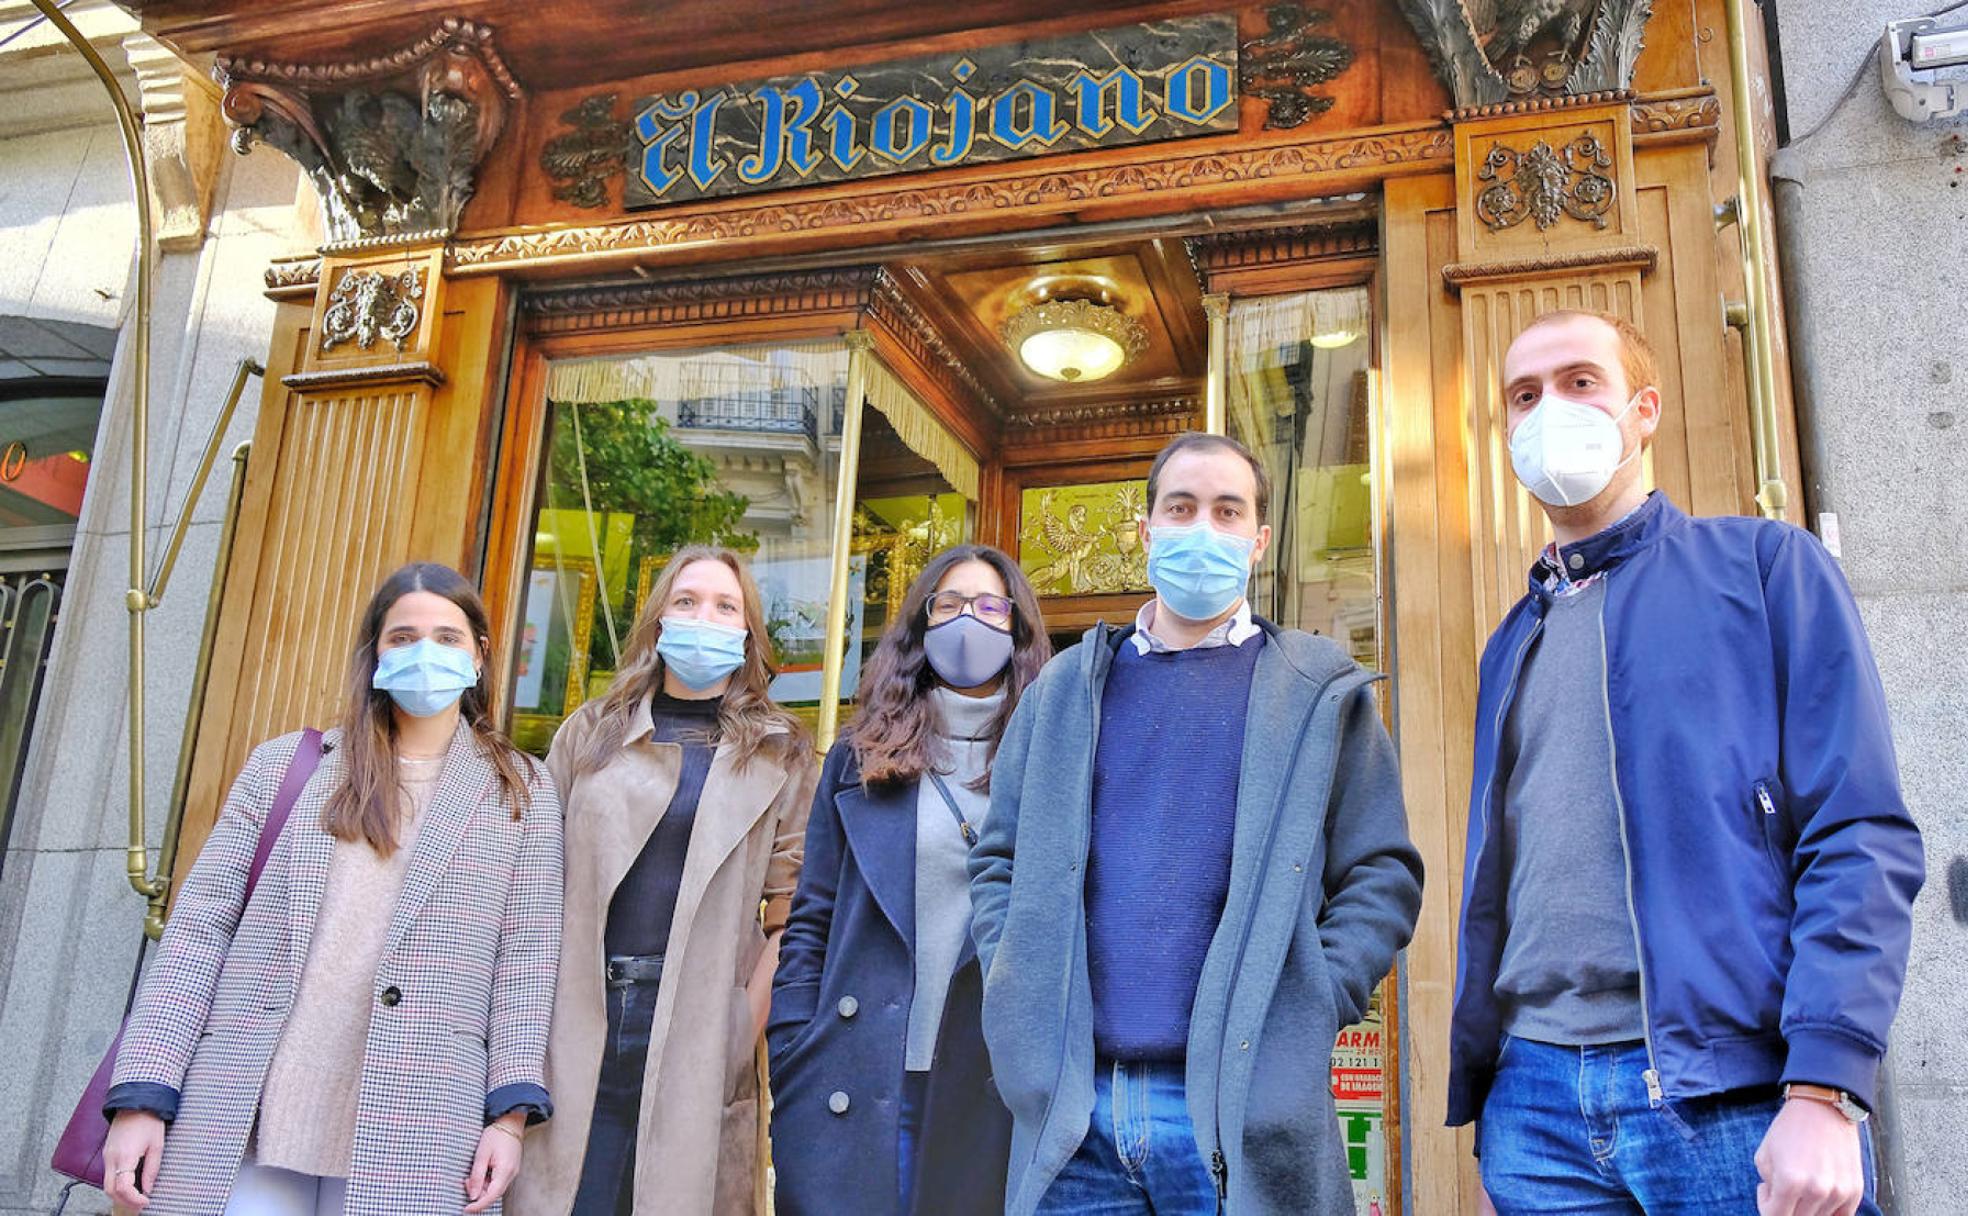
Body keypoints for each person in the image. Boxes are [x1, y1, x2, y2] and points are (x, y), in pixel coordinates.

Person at [1450, 310, 1925, 1216]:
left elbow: (1858, 832)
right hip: (1537, 1105)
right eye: (1524, 395)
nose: (1551, 408)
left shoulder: (1764, 566)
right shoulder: (1513, 641)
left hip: (1733, 1096)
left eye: (1580, 381)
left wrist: (1825, 1086)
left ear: (1645, 408)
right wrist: (1505, 1092)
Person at [969, 432, 1424, 1216]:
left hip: (1239, 1108)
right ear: (1146, 532)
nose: (1202, 529)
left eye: (1226, 510)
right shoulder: (1064, 691)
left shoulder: (1319, 692)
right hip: (1076, 1114)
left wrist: (1313, 994)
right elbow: (997, 859)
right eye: (1180, 509)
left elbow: (1381, 873)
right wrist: (1018, 980)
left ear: (1259, 540)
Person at [100, 562, 564, 1215]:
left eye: (447, 637)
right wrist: (144, 1095)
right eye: (402, 637)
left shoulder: (523, 791)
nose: (425, 652)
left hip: (421, 1113)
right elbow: (199, 932)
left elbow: (525, 960)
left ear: (480, 655)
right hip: (247, 1105)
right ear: (374, 651)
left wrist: (509, 1115)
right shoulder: (287, 766)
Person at [510, 545, 817, 1215]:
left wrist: (744, 1021)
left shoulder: (781, 750)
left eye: (724, 606)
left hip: (702, 1027)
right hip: (577, 1015)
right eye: (686, 601)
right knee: (561, 1192)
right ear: (657, 621)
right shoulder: (589, 733)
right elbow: (533, 883)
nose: (703, 617)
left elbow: (794, 910)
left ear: (746, 632)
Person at [770, 544, 1050, 1216]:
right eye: (948, 605)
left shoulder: (1051, 757)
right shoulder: (859, 758)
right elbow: (813, 916)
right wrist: (794, 1042)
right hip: (860, 1076)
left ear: (1015, 628)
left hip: (993, 1089)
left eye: (989, 606)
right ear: (920, 626)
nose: (967, 622)